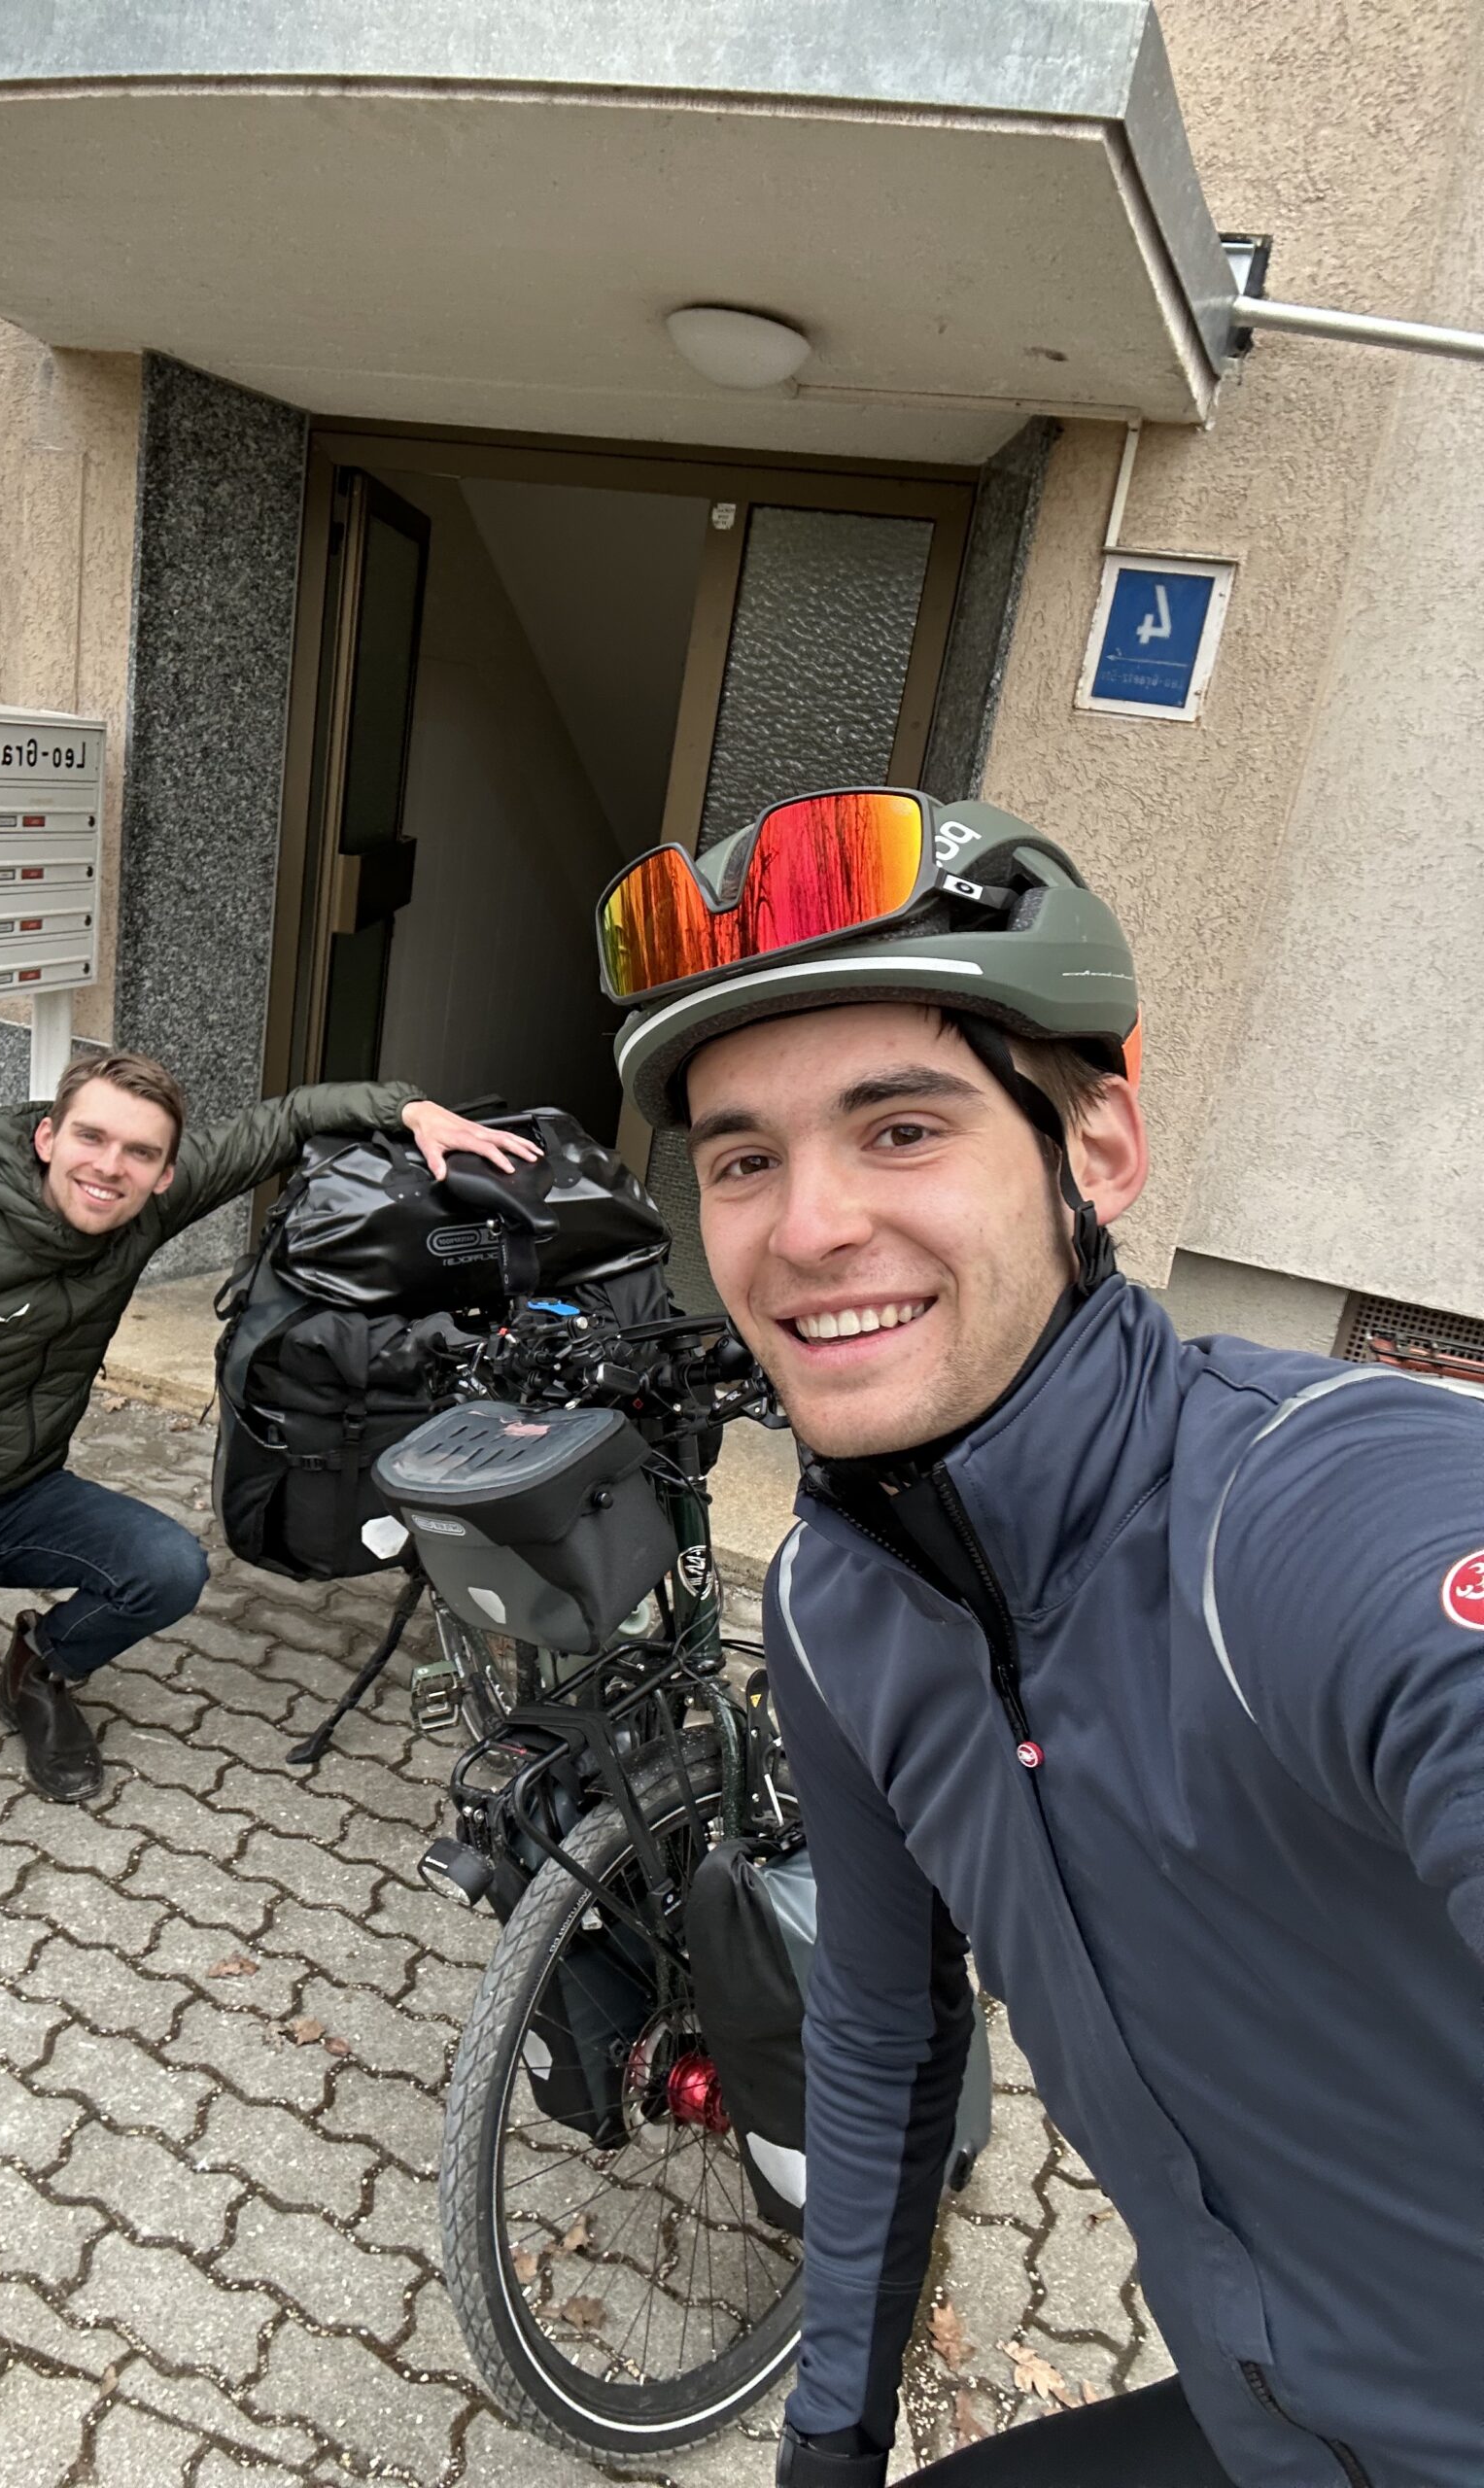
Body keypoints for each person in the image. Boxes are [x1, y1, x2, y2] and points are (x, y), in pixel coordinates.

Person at [599, 788, 1483, 2487]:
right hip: (1264, 2427)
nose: (807, 1228)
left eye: (901, 1128)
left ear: (1099, 1154)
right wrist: (832, 2441)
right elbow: (884, 2032)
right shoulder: (833, 1605)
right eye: (742, 1159)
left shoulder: (1305, 1519)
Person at [0, 1053, 534, 1802]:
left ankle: (37, 1666)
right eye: (90, 1137)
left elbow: (290, 1118)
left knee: (167, 1569)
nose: (109, 1167)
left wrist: (411, 1109)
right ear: (47, 1137)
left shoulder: (140, 1209)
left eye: (139, 1153)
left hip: (17, 1497)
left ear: (164, 1175)